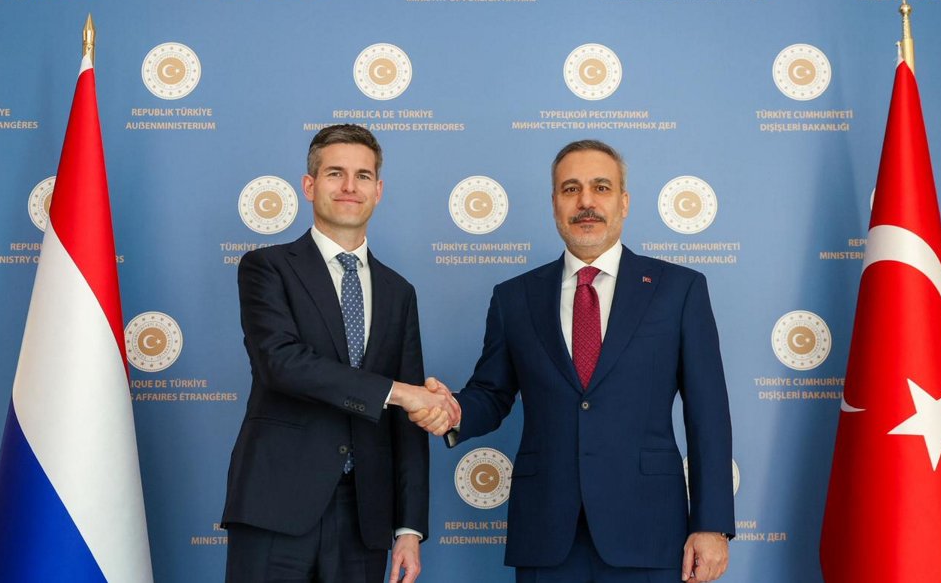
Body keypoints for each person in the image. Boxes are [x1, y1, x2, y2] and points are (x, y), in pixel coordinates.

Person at [414, 140, 735, 582]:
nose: (586, 201)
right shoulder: (514, 298)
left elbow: (709, 416)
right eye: (571, 189)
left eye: (600, 187)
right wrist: (452, 411)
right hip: (548, 535)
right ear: (554, 204)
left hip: (649, 532)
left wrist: (712, 524)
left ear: (623, 202)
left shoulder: (678, 290)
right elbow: (492, 393)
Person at [223, 124, 457, 583]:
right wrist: (401, 393)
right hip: (276, 505)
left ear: (379, 190)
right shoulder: (266, 268)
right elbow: (282, 364)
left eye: (363, 176)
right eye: (335, 173)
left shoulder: (398, 292)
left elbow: (406, 423)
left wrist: (409, 528)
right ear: (309, 186)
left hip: (365, 517)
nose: (350, 187)